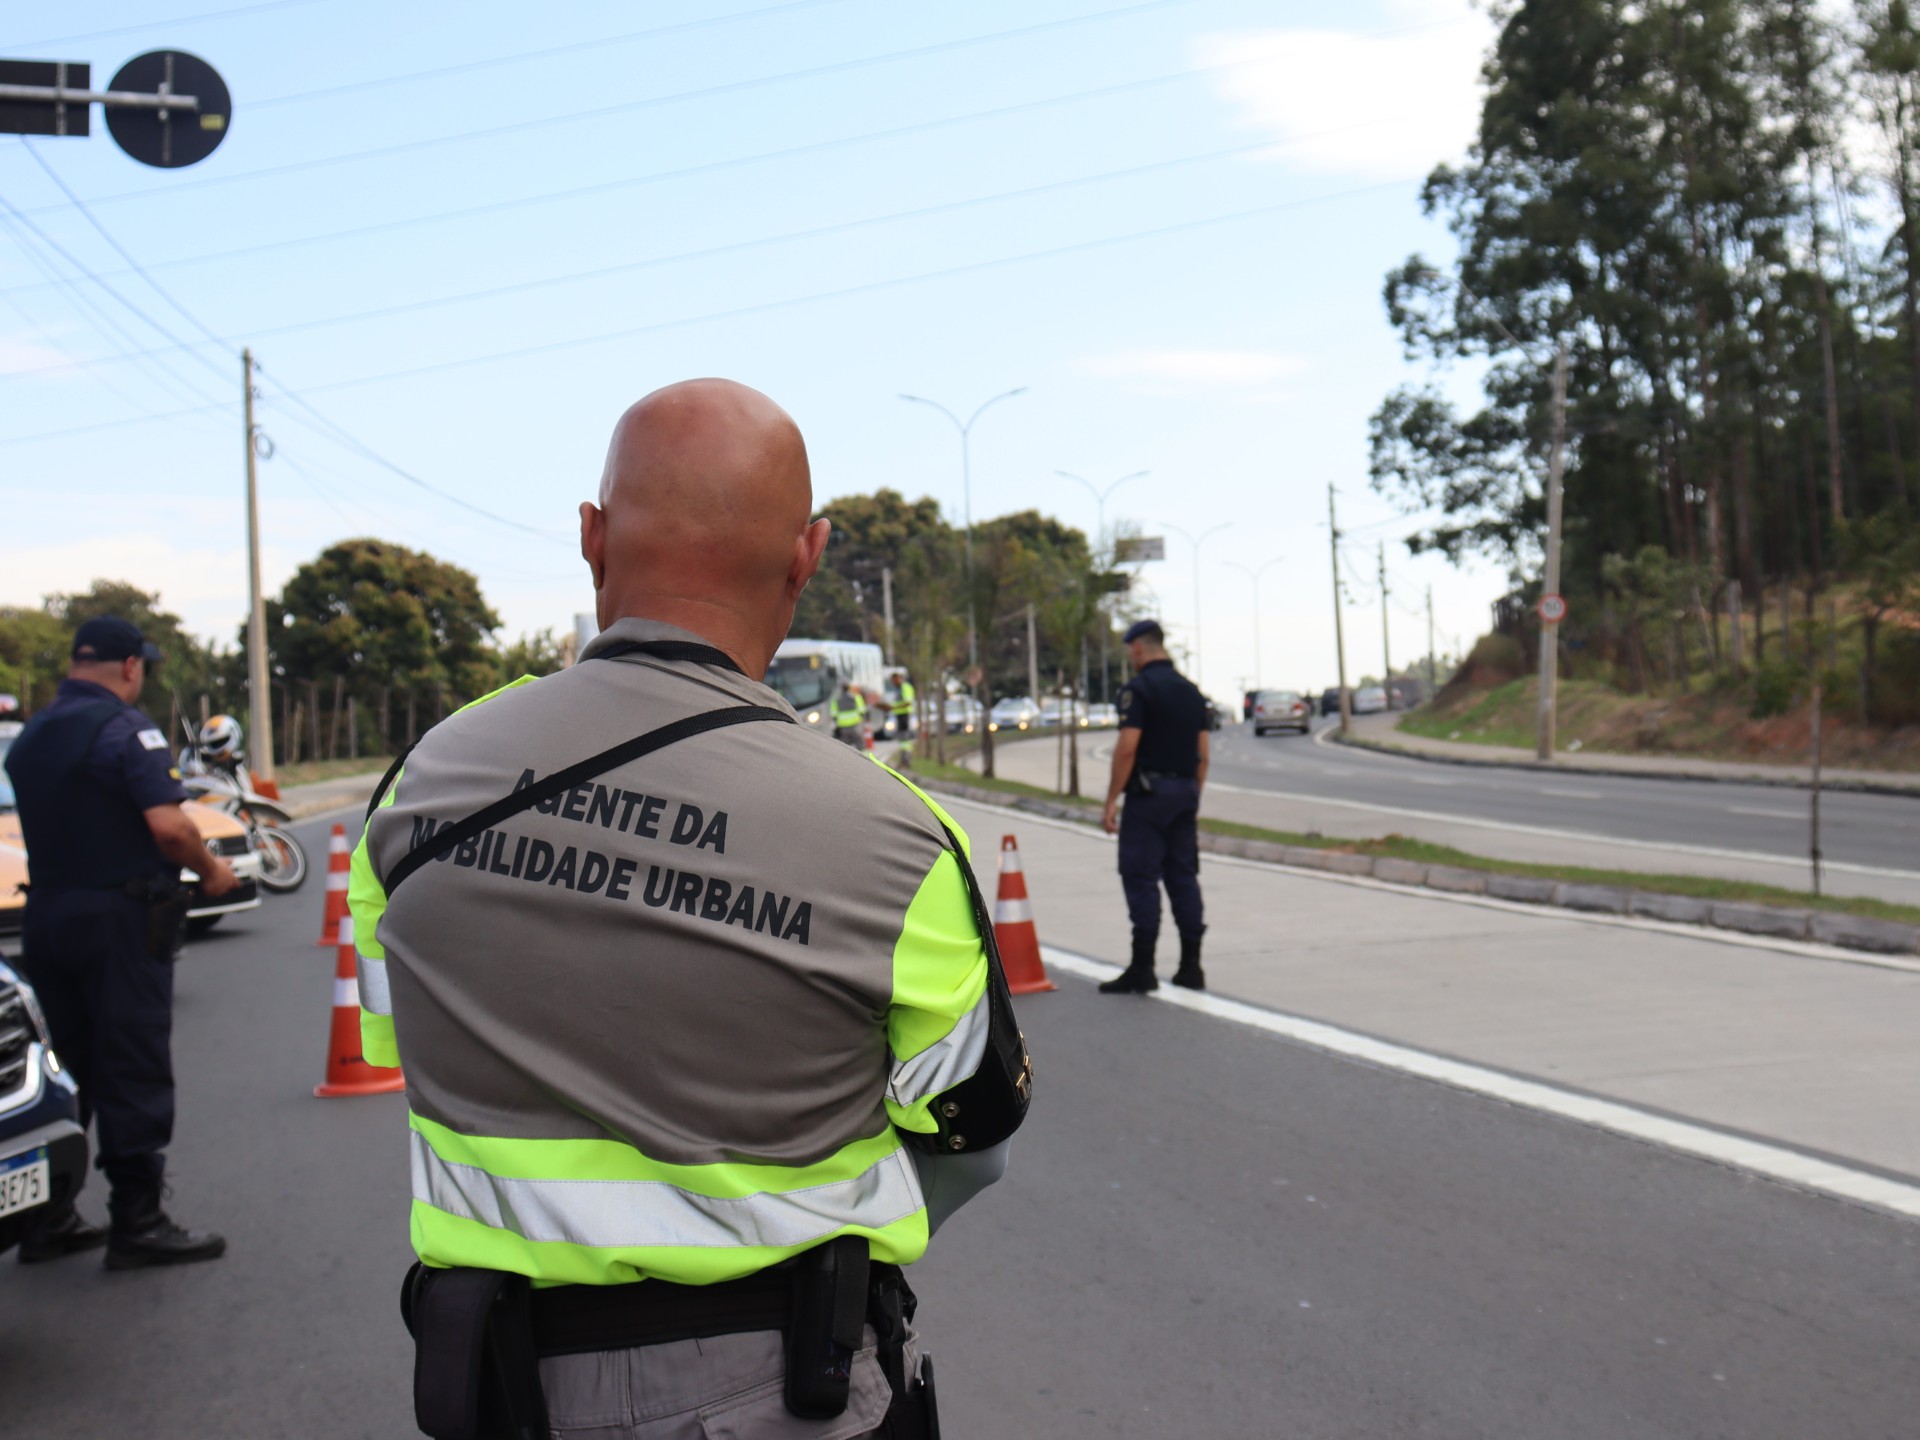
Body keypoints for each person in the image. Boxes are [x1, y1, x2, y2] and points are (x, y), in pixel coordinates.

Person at [349, 379, 1026, 1438]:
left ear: (591, 538)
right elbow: (973, 1138)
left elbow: (404, 1046)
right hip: (787, 1388)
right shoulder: (894, 836)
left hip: (498, 1390)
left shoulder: (420, 786)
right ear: (808, 554)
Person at [2, 616, 238, 1268]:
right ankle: (138, 1219)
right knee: (129, 1060)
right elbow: (169, 827)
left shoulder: (31, 737)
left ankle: (47, 1217)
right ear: (131, 667)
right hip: (119, 920)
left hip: (47, 917)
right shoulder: (124, 728)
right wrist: (213, 870)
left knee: (65, 1067)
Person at [1098, 619, 1210, 994]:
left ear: (1139, 649)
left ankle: (1143, 968)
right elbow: (1203, 755)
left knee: (1141, 876)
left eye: (1131, 651)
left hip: (1148, 797)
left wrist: (1112, 798)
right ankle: (1191, 966)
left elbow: (1128, 747)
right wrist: (1192, 794)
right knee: (1183, 876)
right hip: (1184, 792)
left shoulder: (1140, 689)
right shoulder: (1192, 692)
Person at [829, 674, 868, 746]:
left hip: (843, 725)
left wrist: (837, 722)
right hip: (855, 724)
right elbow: (862, 710)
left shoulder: (836, 698)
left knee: (845, 745)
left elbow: (833, 713)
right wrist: (859, 718)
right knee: (860, 744)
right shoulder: (855, 696)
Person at [890, 672, 917, 742]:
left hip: (905, 713)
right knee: (901, 734)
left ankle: (906, 751)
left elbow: (908, 702)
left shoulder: (905, 687)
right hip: (900, 714)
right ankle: (904, 750)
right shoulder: (897, 688)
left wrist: (895, 707)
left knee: (905, 734)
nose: (893, 682)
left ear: (900, 679)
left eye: (894, 680)